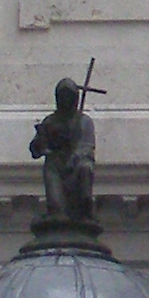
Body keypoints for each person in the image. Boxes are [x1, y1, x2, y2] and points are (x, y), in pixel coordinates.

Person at [28, 76, 97, 230]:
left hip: (77, 164)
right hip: (56, 164)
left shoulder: (84, 121)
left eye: (69, 97)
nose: (66, 101)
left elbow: (87, 145)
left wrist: (75, 157)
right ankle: (57, 210)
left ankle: (84, 208)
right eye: (62, 97)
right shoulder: (50, 121)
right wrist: (40, 144)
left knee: (85, 168)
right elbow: (36, 149)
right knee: (57, 207)